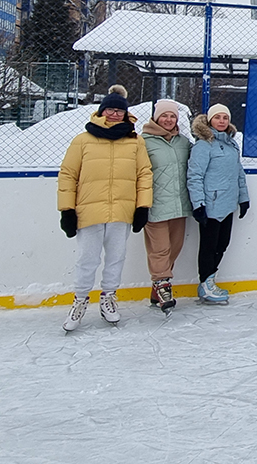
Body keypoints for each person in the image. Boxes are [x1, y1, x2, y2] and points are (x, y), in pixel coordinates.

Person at [58, 85, 152, 331]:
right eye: (110, 110)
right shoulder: (83, 140)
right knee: (87, 259)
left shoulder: (135, 142)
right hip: (89, 211)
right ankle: (80, 300)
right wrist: (67, 210)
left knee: (116, 258)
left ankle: (108, 297)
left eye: (119, 111)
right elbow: (68, 174)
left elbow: (144, 174)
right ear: (101, 111)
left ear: (125, 114)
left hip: (122, 210)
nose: (114, 114)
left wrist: (142, 206)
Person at [187, 104, 250, 304]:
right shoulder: (203, 145)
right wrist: (198, 204)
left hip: (228, 204)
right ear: (210, 120)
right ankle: (205, 284)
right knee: (209, 246)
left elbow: (238, 173)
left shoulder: (231, 145)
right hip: (211, 206)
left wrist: (243, 198)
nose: (221, 121)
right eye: (217, 117)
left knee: (222, 244)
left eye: (225, 117)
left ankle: (210, 280)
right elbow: (194, 176)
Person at [141, 99, 192, 311]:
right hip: (155, 205)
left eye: (172, 116)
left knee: (174, 248)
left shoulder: (183, 142)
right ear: (156, 118)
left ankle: (158, 287)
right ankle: (163, 284)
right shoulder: (143, 141)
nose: (169, 120)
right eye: (164, 115)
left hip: (179, 205)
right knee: (160, 249)